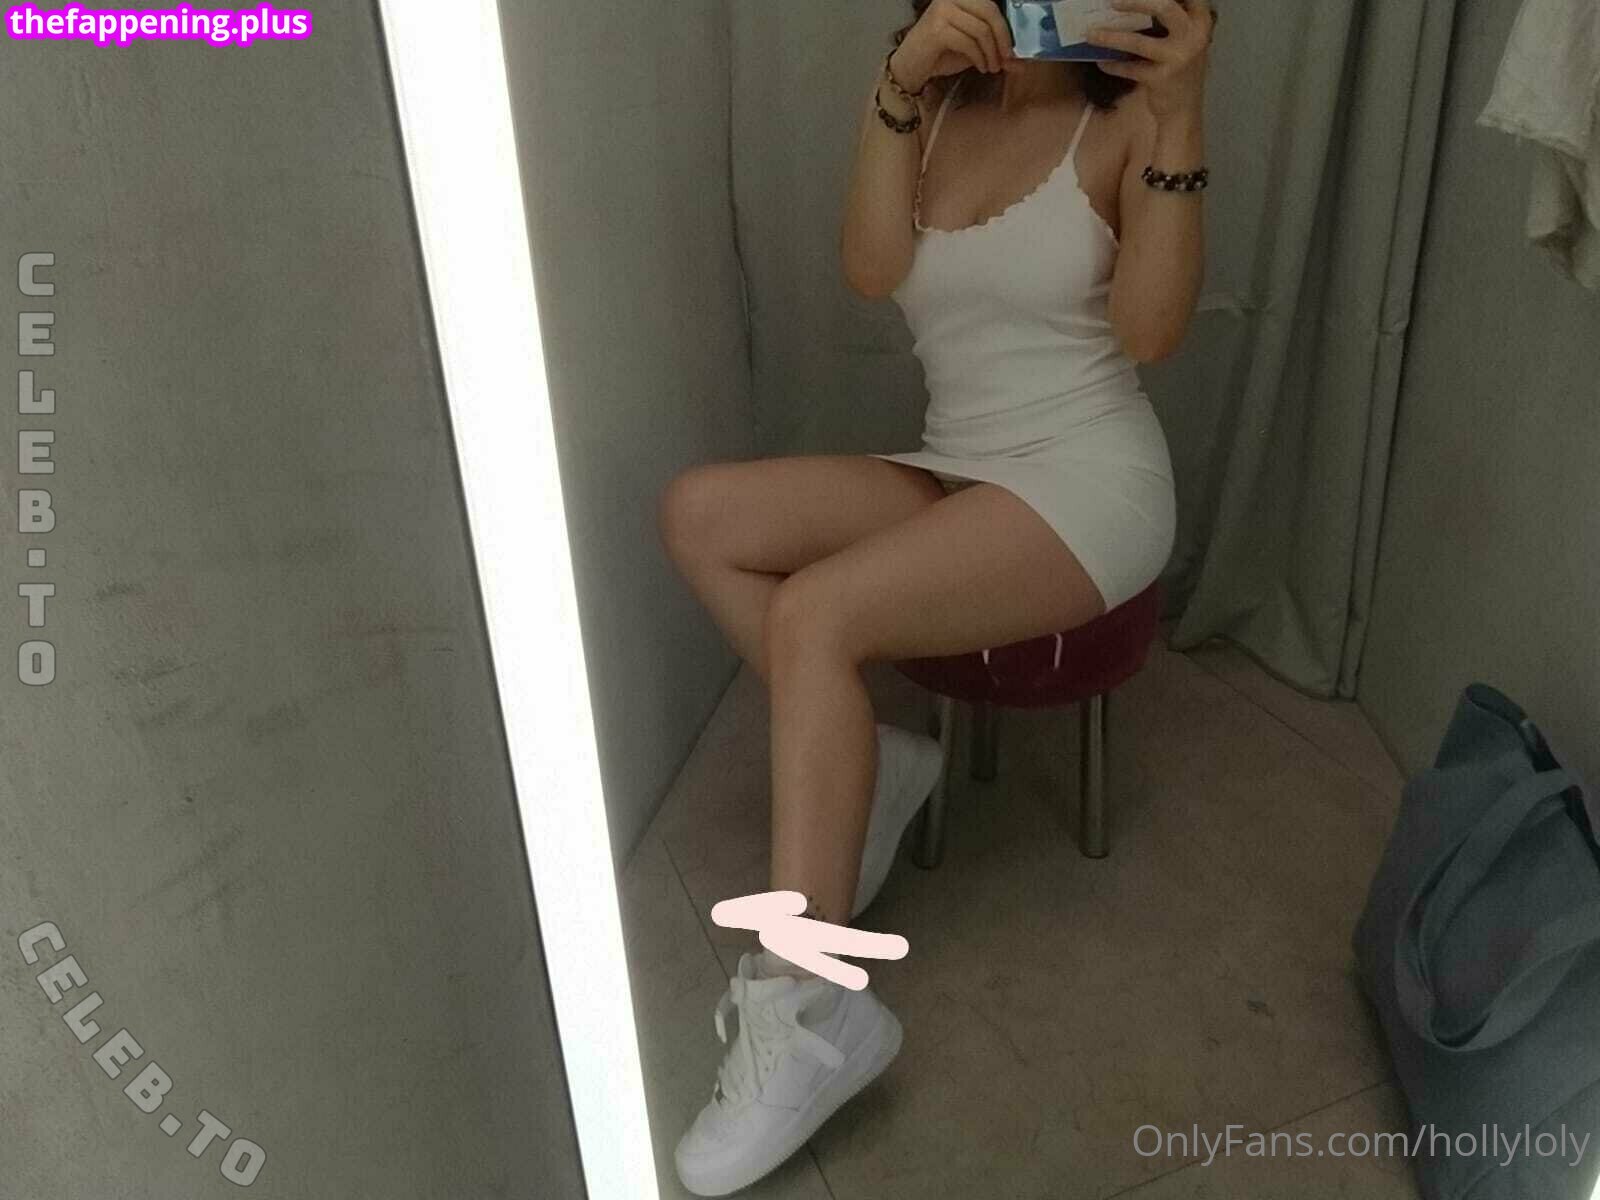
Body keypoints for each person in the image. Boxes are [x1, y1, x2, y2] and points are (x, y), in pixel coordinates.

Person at [658, 1, 1215, 1192]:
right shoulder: (939, 105)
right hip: (961, 460)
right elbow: (871, 271)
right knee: (702, 514)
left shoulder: (1125, 121)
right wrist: (899, 87)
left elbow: (1151, 334)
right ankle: (881, 773)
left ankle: (810, 1005)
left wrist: (1179, 114)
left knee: (817, 614)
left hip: (1088, 482)